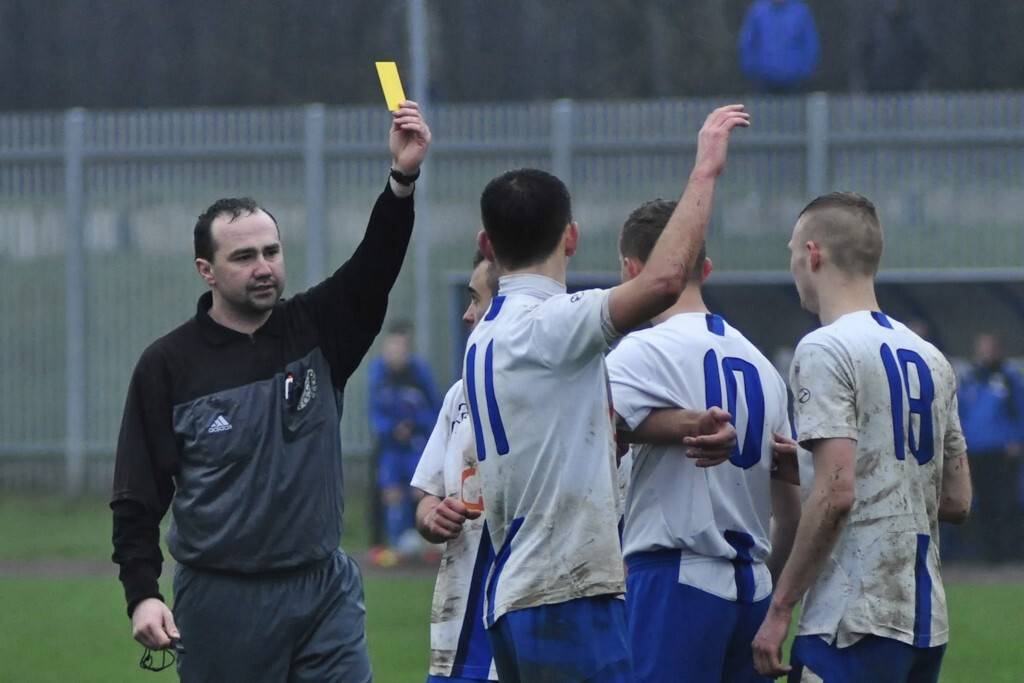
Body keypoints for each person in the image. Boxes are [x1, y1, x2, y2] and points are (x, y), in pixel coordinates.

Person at [109, 102, 431, 681]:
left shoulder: (318, 329)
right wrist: (142, 593)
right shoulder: (168, 365)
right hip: (222, 599)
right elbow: (137, 495)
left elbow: (375, 266)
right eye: (244, 257)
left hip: (324, 591)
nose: (263, 267)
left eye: (271, 252)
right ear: (206, 270)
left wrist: (402, 180)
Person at [464, 104, 749, 682]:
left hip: (516, 592)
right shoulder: (550, 324)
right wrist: (705, 170)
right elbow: (664, 282)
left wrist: (686, 425)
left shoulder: (485, 334)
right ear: (571, 238)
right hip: (565, 595)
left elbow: (582, 424)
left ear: (486, 244)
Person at [752, 192, 973, 681]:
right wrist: (811, 468)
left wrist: (780, 607)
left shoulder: (824, 348)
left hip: (851, 618)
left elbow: (837, 494)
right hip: (924, 623)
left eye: (792, 252)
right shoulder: (933, 358)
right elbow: (957, 500)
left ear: (813, 254)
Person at [606, 199, 801, 683]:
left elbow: (582, 427)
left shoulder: (641, 351)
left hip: (675, 577)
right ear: (706, 268)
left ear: (632, 270)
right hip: (753, 584)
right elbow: (790, 512)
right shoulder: (763, 367)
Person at [411, 250, 500, 682]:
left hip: (533, 610)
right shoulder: (459, 395)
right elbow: (427, 498)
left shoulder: (571, 386)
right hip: (460, 624)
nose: (467, 314)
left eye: (476, 299)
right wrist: (432, 516)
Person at [368, 319, 439, 565]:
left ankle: (428, 544)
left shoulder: (420, 372)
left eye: (401, 348)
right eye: (392, 348)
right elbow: (374, 412)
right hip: (391, 447)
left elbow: (434, 409)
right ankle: (396, 547)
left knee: (421, 491)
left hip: (416, 445)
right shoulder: (378, 373)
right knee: (391, 493)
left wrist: (415, 425)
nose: (396, 353)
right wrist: (391, 428)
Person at [957, 331, 1024, 563]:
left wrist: (1017, 439)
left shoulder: (1009, 378)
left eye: (990, 348)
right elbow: (961, 413)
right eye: (983, 348)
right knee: (982, 502)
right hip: (976, 450)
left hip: (1003, 450)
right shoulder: (970, 378)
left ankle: (1011, 553)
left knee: (1005, 501)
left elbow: (1020, 410)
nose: (986, 352)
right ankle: (989, 555)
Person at [738, 0, 820, 94]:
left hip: (793, 78)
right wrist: (751, 67)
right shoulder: (758, 10)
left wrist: (805, 69)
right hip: (763, 77)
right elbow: (748, 41)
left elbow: (810, 42)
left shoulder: (800, 11)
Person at [856, 0, 934, 93]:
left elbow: (924, 57)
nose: (893, 7)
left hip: (908, 87)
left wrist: (921, 80)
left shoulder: (913, 30)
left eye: (896, 4)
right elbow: (864, 55)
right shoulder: (875, 29)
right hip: (879, 87)